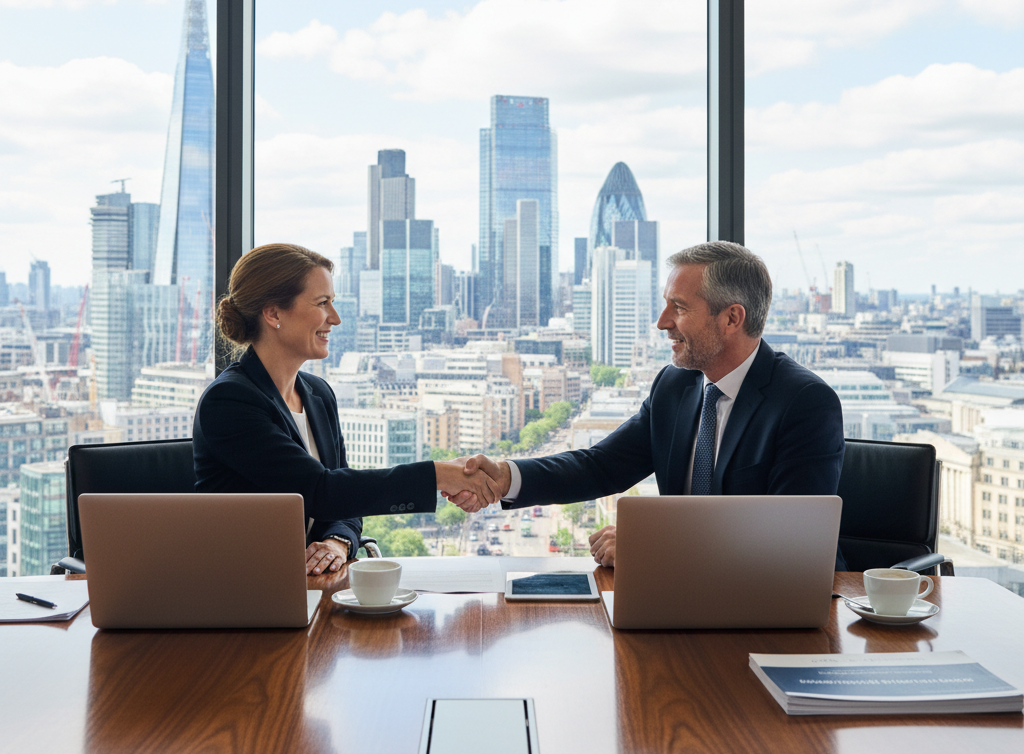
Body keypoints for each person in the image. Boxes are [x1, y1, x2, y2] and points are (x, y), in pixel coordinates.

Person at [452, 241, 846, 568]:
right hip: (680, 600)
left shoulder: (805, 404)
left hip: (777, 612)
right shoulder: (675, 385)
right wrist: (506, 477)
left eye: (679, 307)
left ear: (732, 318)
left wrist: (653, 546)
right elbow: (601, 466)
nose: (661, 322)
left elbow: (790, 541)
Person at [193, 243, 502, 576]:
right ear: (273, 314)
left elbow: (345, 500)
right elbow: (321, 490)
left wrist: (337, 541)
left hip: (312, 585)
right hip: (247, 587)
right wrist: (440, 474)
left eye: (333, 302)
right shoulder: (229, 401)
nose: (335, 319)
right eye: (322, 303)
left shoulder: (318, 394)